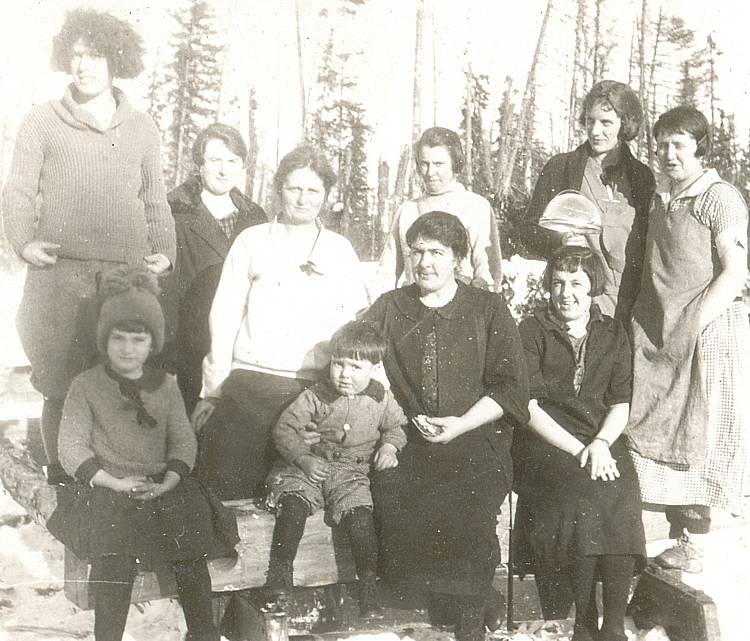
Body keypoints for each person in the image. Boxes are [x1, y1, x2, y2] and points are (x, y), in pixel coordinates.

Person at [2, 8, 174, 485]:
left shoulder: (141, 127)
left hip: (122, 277)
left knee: (122, 381)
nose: (84, 66)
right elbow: (17, 191)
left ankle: (117, 483)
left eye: (95, 55)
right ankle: (63, 483)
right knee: (60, 384)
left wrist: (164, 248)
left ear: (116, 60)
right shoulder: (42, 121)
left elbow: (154, 198)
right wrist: (23, 242)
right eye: (76, 56)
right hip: (59, 276)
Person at [46, 266, 238, 641]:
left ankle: (203, 633)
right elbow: (69, 447)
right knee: (113, 554)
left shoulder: (165, 386)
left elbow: (183, 440)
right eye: (119, 338)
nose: (127, 349)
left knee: (191, 548)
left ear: (153, 344)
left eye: (138, 340)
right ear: (104, 339)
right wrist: (113, 482)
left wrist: (170, 479)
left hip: (160, 487)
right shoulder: (86, 386)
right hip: (108, 487)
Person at [363, 211, 529, 641]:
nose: (425, 263)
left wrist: (460, 424)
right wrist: (394, 414)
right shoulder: (390, 307)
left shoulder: (486, 308)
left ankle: (471, 613)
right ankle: (435, 603)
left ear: (458, 259)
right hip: (411, 438)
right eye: (416, 252)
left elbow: (511, 387)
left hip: (476, 437)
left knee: (469, 499)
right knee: (393, 487)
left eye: (437, 252)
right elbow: (358, 355)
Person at [192, 145, 369, 500]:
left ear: (326, 196)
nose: (303, 199)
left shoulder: (338, 250)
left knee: (310, 490)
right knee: (226, 483)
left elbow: (357, 328)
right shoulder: (252, 241)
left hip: (315, 390)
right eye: (294, 188)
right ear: (278, 190)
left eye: (313, 190)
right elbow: (224, 317)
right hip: (251, 385)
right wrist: (212, 390)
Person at [628, 106, 749, 573]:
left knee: (699, 430)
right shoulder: (662, 199)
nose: (668, 154)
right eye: (661, 145)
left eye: (679, 144)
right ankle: (671, 540)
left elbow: (735, 273)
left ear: (701, 148)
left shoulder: (719, 198)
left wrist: (694, 323)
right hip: (662, 330)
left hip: (707, 335)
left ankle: (693, 545)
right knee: (659, 422)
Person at [512, 246, 645, 641]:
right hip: (547, 442)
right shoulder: (531, 332)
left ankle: (614, 625)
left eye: (576, 283)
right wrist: (579, 450)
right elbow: (529, 406)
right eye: (557, 283)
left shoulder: (611, 333)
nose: (565, 293)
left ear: (593, 290)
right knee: (581, 494)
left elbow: (620, 402)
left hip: (601, 438)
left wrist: (602, 442)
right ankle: (584, 623)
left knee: (621, 491)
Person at [264, 321, 408, 619]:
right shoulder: (317, 394)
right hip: (309, 465)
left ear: (373, 368)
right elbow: (285, 429)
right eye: (339, 365)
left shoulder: (380, 397)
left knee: (361, 519)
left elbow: (397, 427)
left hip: (351, 472)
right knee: (292, 507)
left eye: (355, 367)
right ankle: (280, 579)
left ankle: (368, 589)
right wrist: (303, 458)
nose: (344, 374)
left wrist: (390, 447)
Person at [522, 80, 655, 321]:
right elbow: (529, 230)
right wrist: (560, 240)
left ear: (624, 124)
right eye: (589, 121)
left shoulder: (641, 177)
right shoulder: (561, 168)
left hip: (630, 308)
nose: (595, 131)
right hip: (578, 305)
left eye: (605, 123)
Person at [163, 123, 267, 413]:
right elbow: (163, 287)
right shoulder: (173, 209)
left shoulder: (255, 216)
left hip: (239, 345)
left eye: (233, 161)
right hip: (189, 343)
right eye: (215, 160)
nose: (224, 170)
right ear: (199, 164)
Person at [370, 126, 502, 299]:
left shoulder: (476, 206)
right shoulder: (407, 210)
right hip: (414, 309)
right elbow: (386, 270)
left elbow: (487, 272)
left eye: (439, 164)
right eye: (424, 164)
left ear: (455, 163)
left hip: (461, 310)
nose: (430, 172)